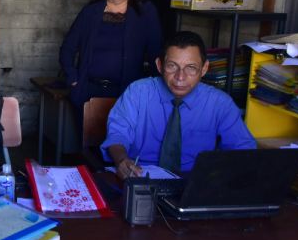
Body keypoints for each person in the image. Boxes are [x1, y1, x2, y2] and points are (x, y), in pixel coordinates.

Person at [101, 30, 256, 179]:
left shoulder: (220, 103)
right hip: (140, 176)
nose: (180, 77)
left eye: (191, 68)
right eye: (172, 66)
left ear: (204, 68)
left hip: (196, 183)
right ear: (160, 65)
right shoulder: (138, 92)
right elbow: (118, 135)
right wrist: (121, 160)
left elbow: (243, 150)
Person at [59, 0, 163, 134]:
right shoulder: (91, 12)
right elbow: (67, 48)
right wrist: (73, 79)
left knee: (123, 147)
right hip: (88, 91)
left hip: (128, 94)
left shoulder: (145, 11)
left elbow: (156, 54)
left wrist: (153, 90)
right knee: (89, 149)